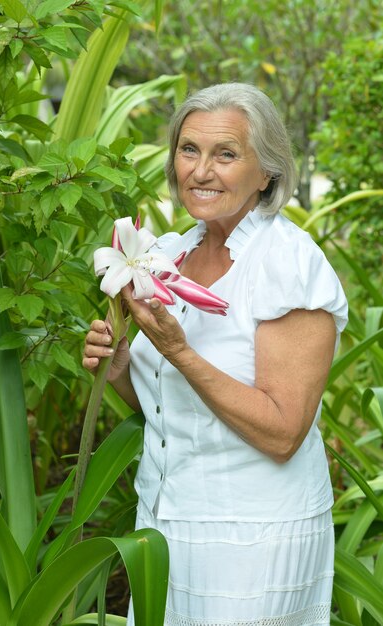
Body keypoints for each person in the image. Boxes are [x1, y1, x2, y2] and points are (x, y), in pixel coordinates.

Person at [83, 83, 348, 626]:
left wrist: (178, 351)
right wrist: (122, 371)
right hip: (163, 530)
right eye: (189, 150)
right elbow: (173, 411)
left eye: (226, 154)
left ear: (267, 172)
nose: (201, 171)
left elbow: (281, 433)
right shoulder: (170, 253)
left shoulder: (286, 264)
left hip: (251, 543)